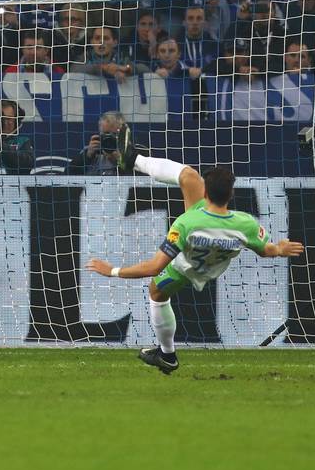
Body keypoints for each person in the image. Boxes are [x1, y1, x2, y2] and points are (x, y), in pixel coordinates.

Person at [86, 138, 303, 373]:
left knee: (156, 291)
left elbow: (152, 267)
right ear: (230, 194)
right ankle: (134, 159)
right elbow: (265, 250)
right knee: (189, 177)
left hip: (184, 267)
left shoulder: (187, 223)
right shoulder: (246, 224)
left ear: (206, 193)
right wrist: (280, 249)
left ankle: (167, 354)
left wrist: (112, 271)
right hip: (212, 264)